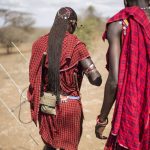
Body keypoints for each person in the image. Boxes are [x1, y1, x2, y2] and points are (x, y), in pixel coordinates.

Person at [27, 7, 102, 150]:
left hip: (47, 103)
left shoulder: (39, 44)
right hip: (69, 107)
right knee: (68, 147)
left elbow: (33, 77)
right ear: (72, 24)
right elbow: (96, 78)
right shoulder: (76, 45)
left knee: (50, 144)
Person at [95, 0, 150, 149]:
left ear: (125, 1)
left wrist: (102, 119)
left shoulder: (120, 24)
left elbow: (114, 81)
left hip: (133, 112)